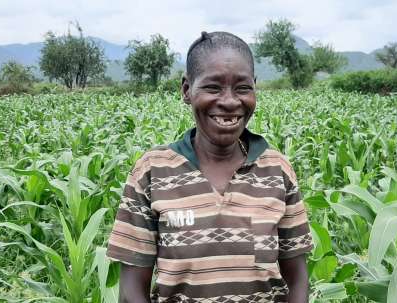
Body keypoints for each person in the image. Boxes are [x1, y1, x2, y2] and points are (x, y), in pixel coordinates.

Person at [106, 31, 313, 303]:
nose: (229, 101)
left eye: (242, 88)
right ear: (186, 90)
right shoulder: (152, 171)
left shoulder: (277, 170)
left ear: (254, 88)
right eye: (213, 87)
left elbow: (297, 278)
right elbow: (131, 290)